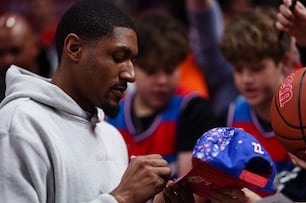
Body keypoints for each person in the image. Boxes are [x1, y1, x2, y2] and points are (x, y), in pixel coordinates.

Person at [0, 0, 194, 202]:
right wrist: (122, 197)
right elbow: (117, 199)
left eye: (133, 61)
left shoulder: (111, 136)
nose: (131, 74)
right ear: (74, 48)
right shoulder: (19, 125)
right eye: (118, 57)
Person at [106, 13, 217, 180]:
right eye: (151, 71)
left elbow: (192, 190)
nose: (162, 81)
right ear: (132, 67)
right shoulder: (111, 112)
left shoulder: (193, 108)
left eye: (170, 70)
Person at [215, 8, 294, 174]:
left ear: (284, 62)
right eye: (238, 69)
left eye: (257, 69)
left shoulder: (303, 118)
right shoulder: (230, 116)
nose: (246, 79)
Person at [0, 12, 51, 101]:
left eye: (15, 51)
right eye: (0, 53)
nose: (7, 60)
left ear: (35, 47)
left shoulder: (58, 85)